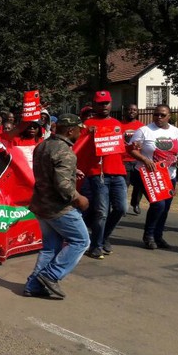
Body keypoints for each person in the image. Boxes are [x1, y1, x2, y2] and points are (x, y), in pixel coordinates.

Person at [24, 114, 89, 299]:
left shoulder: (43, 145)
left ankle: (33, 285)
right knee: (81, 241)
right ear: (70, 130)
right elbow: (62, 185)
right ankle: (50, 275)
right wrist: (79, 198)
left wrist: (71, 172)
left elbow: (49, 169)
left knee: (50, 247)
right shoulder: (65, 151)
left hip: (41, 204)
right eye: (78, 129)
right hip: (59, 208)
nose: (80, 132)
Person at [77, 91, 127, 259]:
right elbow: (78, 147)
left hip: (118, 172)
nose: (104, 106)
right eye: (100, 103)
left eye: (106, 103)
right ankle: (96, 245)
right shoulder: (86, 125)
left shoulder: (116, 123)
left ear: (111, 104)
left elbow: (121, 147)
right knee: (102, 211)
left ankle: (103, 236)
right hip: (98, 174)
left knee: (121, 208)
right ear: (94, 104)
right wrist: (87, 133)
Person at [129, 104, 178, 249]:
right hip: (148, 175)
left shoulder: (176, 132)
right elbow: (131, 149)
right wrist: (145, 160)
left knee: (165, 207)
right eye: (156, 115)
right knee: (158, 204)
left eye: (162, 115)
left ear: (169, 116)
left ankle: (158, 236)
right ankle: (148, 236)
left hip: (169, 175)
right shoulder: (144, 131)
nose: (159, 117)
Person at [121, 104, 145, 214]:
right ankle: (122, 205)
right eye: (129, 109)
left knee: (139, 184)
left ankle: (135, 203)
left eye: (134, 110)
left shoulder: (142, 127)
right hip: (123, 160)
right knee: (124, 184)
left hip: (137, 160)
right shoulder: (118, 125)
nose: (132, 111)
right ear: (125, 111)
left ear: (137, 112)